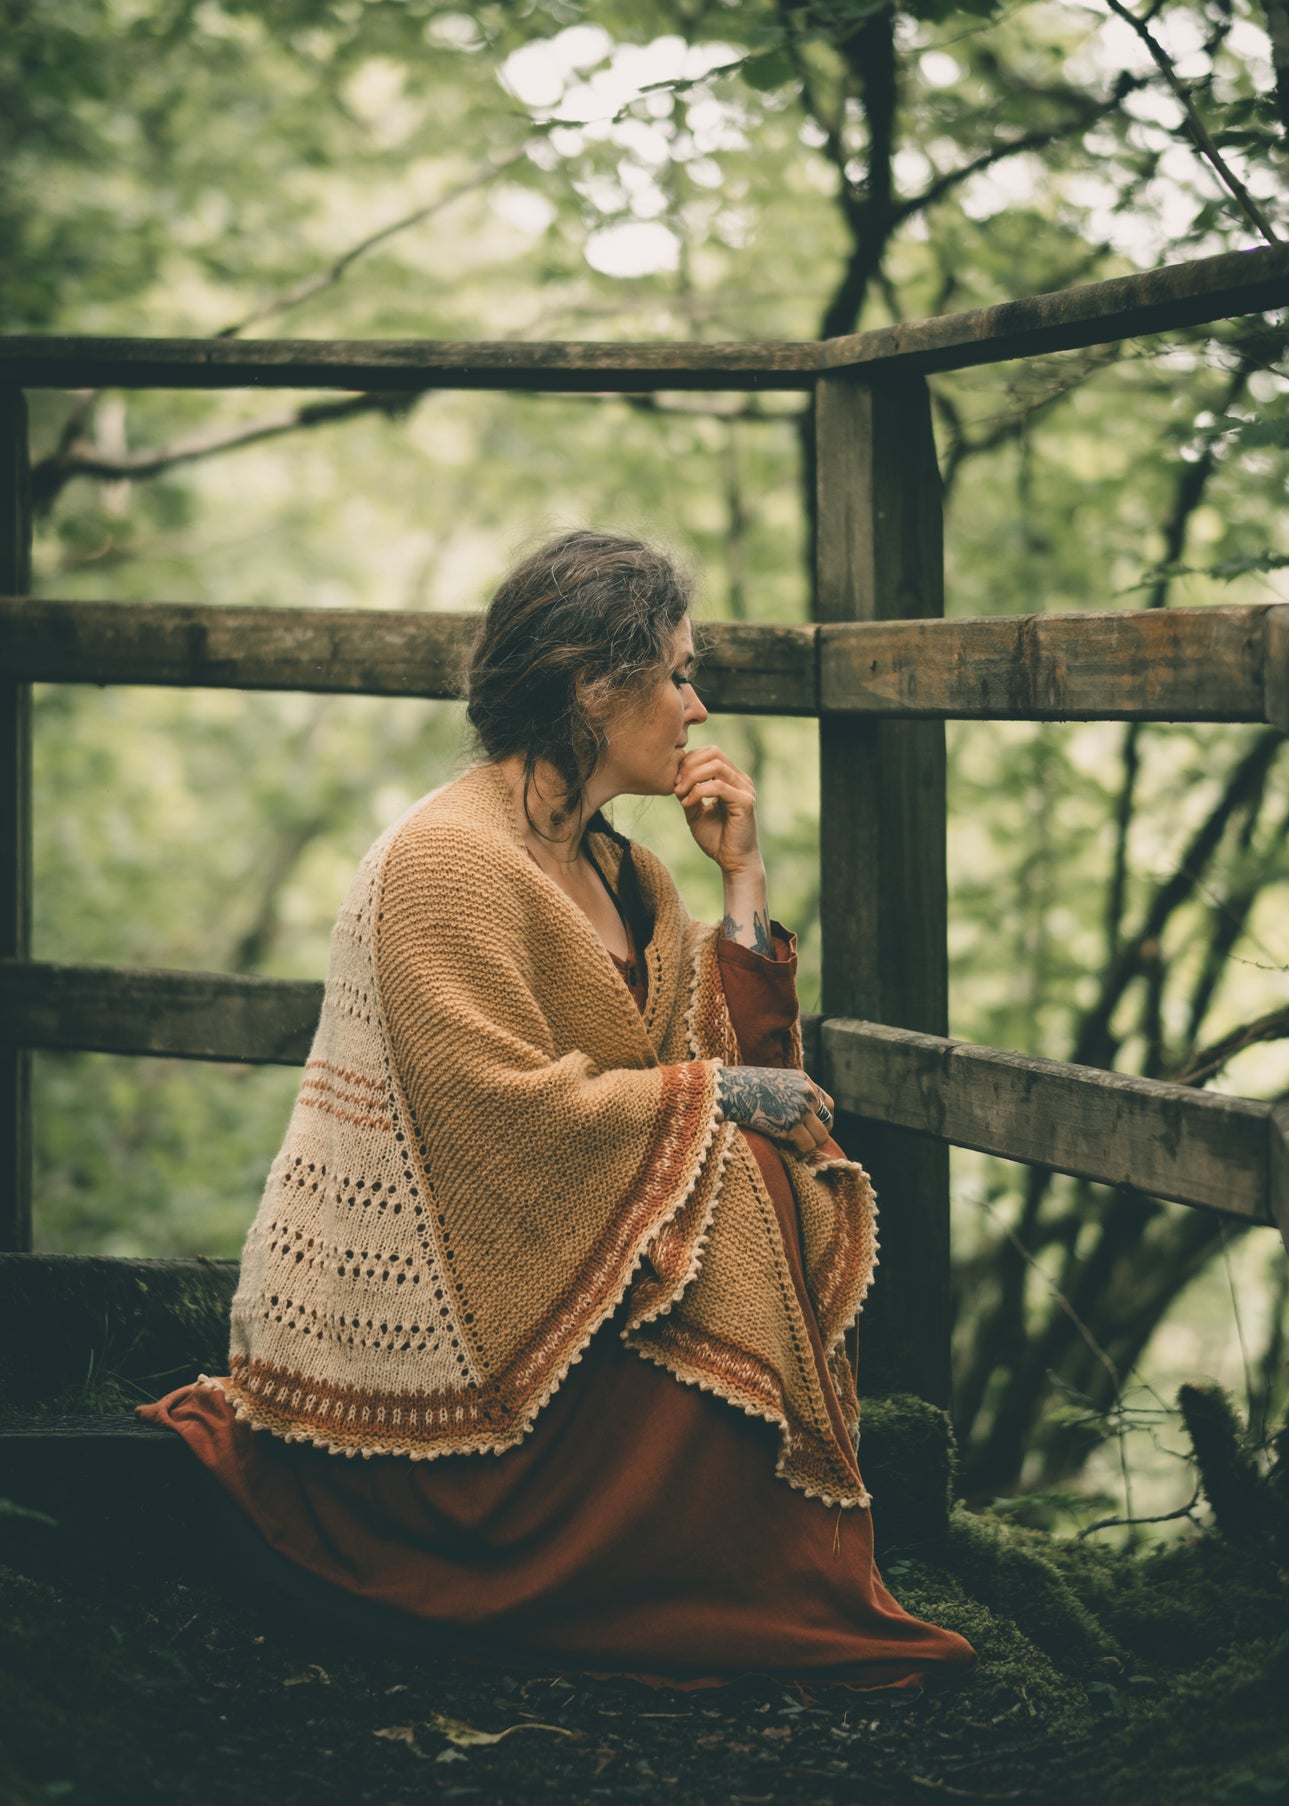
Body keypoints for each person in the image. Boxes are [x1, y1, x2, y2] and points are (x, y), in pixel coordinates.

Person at [140, 530, 976, 1687]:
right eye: (677, 673)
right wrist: (723, 1093)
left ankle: (736, 1565)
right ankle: (694, 1572)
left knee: (767, 1161)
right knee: (735, 1171)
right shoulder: (444, 863)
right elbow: (496, 1114)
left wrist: (742, 883)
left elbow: (741, 1059)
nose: (696, 708)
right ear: (593, 684)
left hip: (584, 1263)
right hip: (459, 1329)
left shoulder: (631, 872)